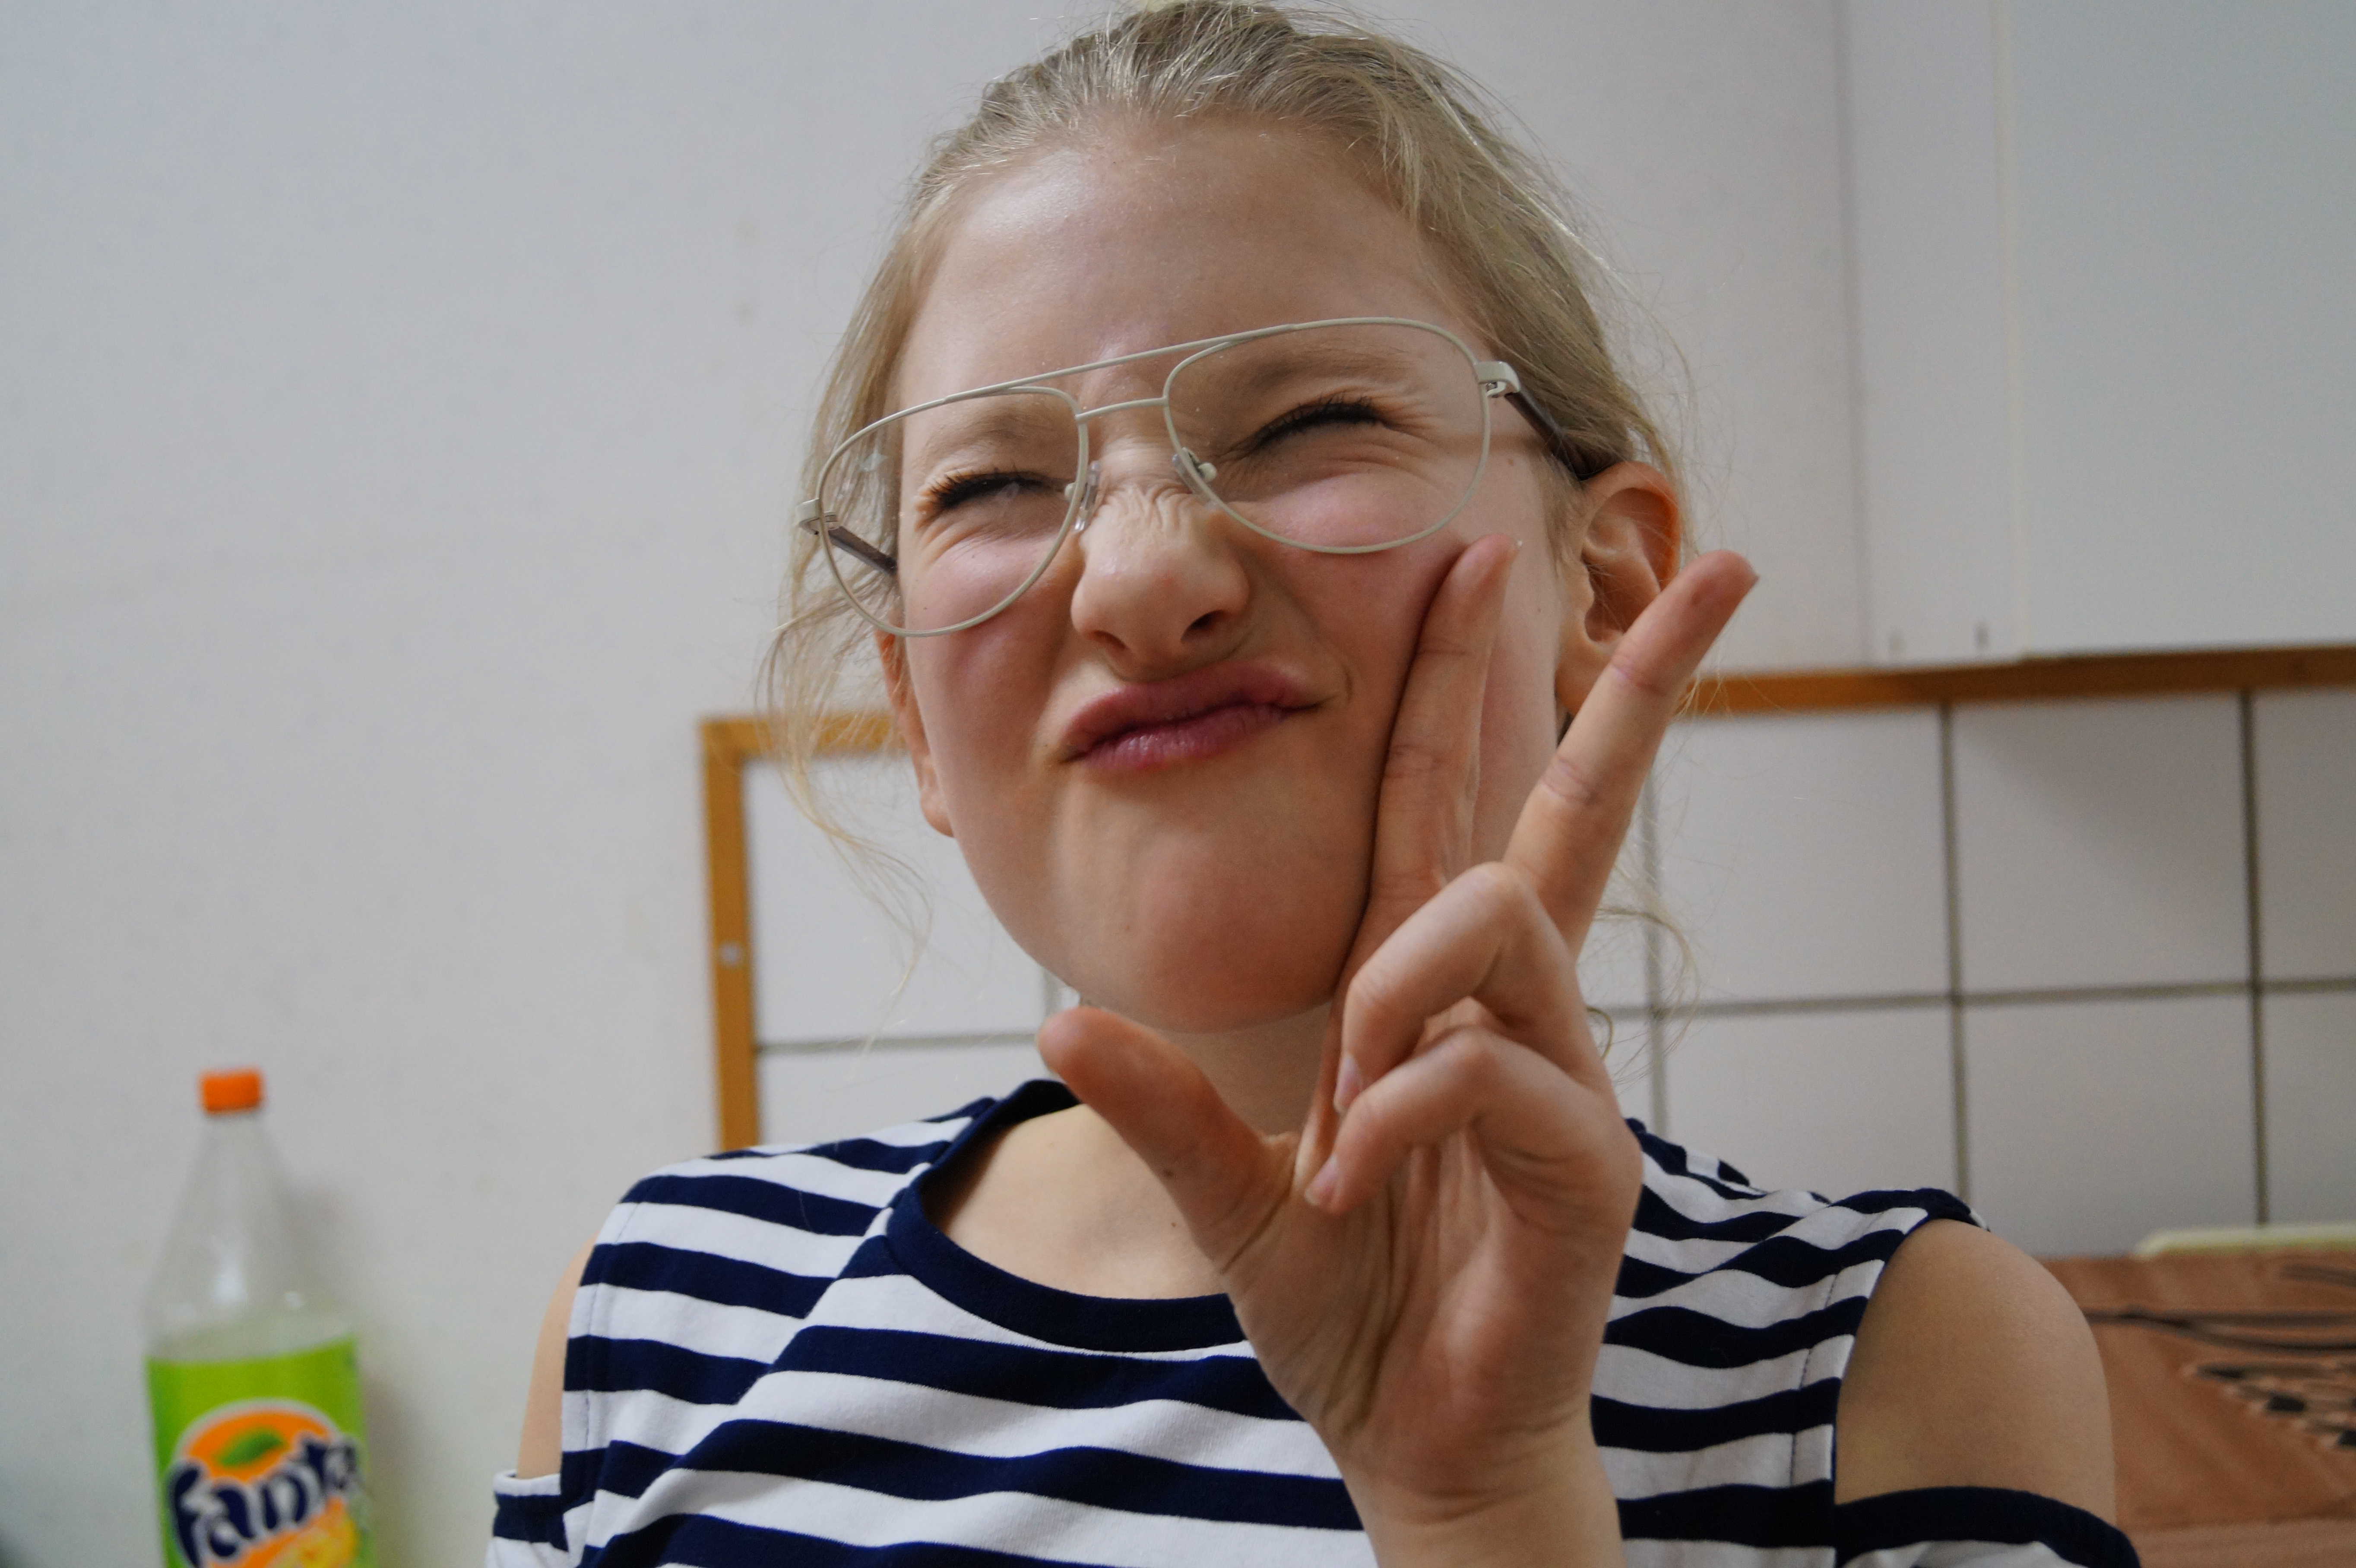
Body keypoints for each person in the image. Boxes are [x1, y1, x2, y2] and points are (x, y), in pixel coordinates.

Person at [491, 5, 2128, 1564]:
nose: (1142, 580)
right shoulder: (662, 1326)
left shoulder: (1888, 1366)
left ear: (1607, 591)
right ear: (916, 712)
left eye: (1311, 423)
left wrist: (1483, 1507)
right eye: (994, 483)